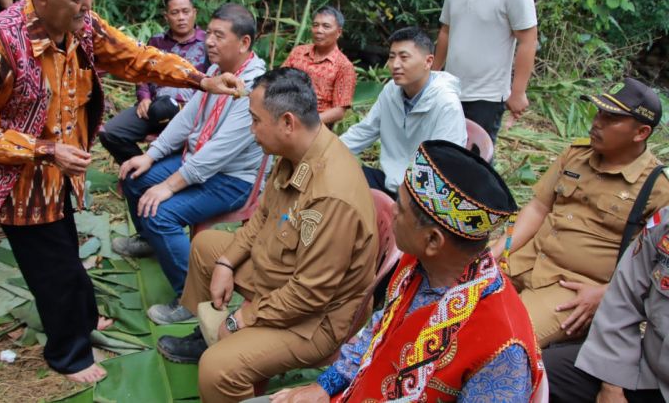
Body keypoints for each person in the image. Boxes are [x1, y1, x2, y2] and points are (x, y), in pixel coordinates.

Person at [0, 0, 241, 384]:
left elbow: (135, 57)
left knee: (66, 249)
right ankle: (69, 355)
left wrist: (201, 79)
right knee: (54, 268)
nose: (88, 7)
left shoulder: (81, 26)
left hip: (61, 176)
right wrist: (45, 149)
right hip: (19, 184)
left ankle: (81, 321)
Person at [152, 67, 378, 403]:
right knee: (206, 247)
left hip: (315, 319)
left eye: (256, 120)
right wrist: (227, 263)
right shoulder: (293, 153)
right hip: (279, 270)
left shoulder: (331, 196)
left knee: (218, 369)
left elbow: (309, 295)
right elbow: (262, 218)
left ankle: (226, 355)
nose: (251, 129)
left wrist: (241, 317)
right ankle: (205, 336)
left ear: (288, 123)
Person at [269, 140, 543, 403]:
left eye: (399, 208)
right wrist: (324, 385)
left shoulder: (502, 347)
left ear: (433, 241)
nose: (392, 211)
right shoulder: (415, 265)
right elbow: (379, 333)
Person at [491, 77, 669, 348]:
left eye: (611, 118)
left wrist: (605, 295)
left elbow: (655, 267)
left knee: (503, 340)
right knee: (452, 302)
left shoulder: (657, 188)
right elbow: (538, 208)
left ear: (641, 133)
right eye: (599, 112)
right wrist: (499, 249)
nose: (597, 122)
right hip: (523, 259)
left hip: (572, 287)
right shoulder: (576, 154)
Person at [112, 3, 265, 315]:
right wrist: (151, 156)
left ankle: (191, 299)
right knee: (133, 176)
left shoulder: (253, 87)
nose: (208, 41)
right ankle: (151, 241)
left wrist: (169, 186)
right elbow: (186, 119)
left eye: (218, 36)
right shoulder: (214, 72)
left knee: (159, 213)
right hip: (197, 163)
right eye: (208, 33)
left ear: (244, 42)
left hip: (231, 179)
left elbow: (218, 153)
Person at [543, 206, 669, 403]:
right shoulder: (664, 225)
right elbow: (623, 299)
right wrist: (612, 384)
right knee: (537, 374)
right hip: (652, 373)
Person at [434, 0, 538, 142]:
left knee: (475, 161)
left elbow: (528, 41)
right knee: (441, 152)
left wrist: (518, 92)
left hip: (486, 97)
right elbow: (446, 31)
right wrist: (432, 75)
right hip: (449, 89)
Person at [340, 26, 466, 197]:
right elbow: (364, 131)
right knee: (337, 176)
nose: (395, 65)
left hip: (423, 195)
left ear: (428, 62)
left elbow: (445, 166)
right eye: (392, 57)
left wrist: (408, 201)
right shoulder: (391, 90)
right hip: (389, 181)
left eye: (404, 57)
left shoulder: (446, 104)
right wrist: (324, 153)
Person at [99, 0, 209, 164]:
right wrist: (144, 97)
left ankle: (156, 173)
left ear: (194, 13)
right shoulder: (157, 41)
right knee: (110, 132)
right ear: (166, 17)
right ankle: (140, 170)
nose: (181, 17)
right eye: (175, 13)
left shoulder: (208, 43)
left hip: (190, 113)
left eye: (185, 11)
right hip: (154, 107)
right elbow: (143, 73)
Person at [281, 6, 356, 125]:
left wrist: (306, 123)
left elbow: (339, 110)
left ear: (338, 32)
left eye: (326, 26)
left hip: (315, 127)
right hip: (283, 116)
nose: (318, 30)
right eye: (315, 25)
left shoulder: (344, 66)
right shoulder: (298, 52)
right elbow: (279, 79)